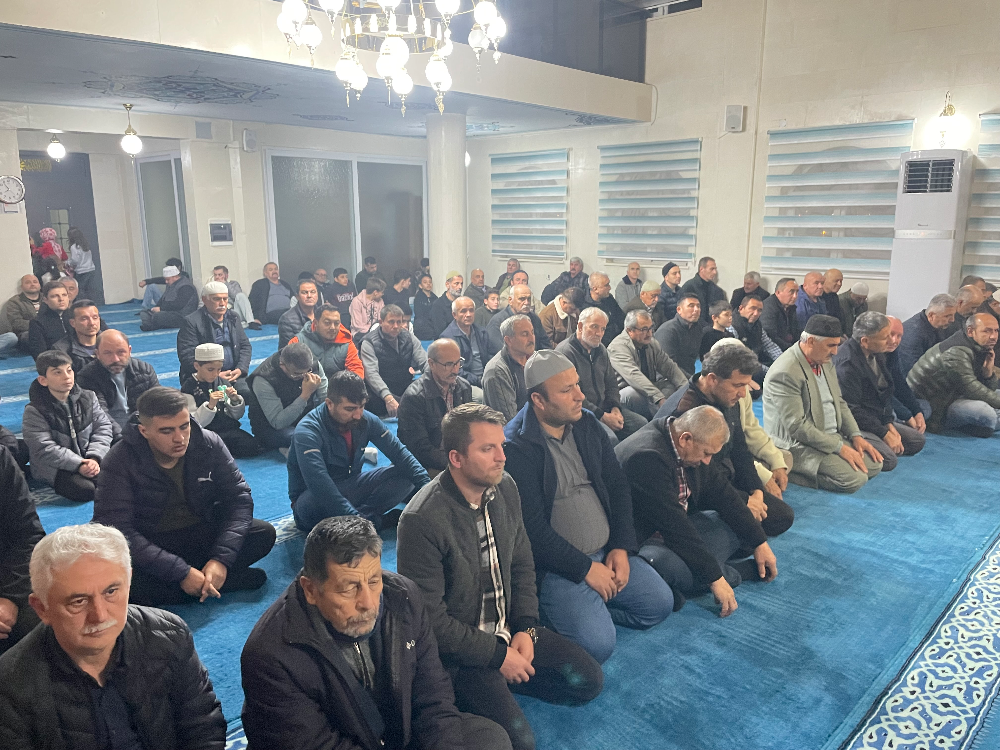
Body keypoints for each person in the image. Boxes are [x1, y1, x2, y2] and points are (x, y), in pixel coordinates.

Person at [397, 404, 603, 750]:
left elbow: (522, 562)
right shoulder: (421, 520)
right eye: (487, 448)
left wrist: (526, 627)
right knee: (520, 743)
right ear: (456, 458)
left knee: (588, 681)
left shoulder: (505, 486)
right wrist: (496, 657)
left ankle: (502, 683)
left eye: (501, 445)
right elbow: (430, 621)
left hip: (508, 630)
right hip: (463, 655)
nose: (502, 457)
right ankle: (470, 690)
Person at [241, 516, 511, 750]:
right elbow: (316, 744)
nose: (369, 603)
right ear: (311, 590)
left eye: (373, 581)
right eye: (349, 588)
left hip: (395, 734)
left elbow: (433, 696)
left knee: (489, 739)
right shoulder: (270, 655)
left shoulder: (403, 597)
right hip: (342, 741)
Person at [502, 350, 673, 663]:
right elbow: (531, 530)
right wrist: (585, 569)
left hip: (607, 552)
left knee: (660, 605)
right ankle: (569, 614)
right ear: (538, 400)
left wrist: (621, 546)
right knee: (598, 646)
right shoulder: (516, 447)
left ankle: (594, 608)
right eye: (567, 390)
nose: (580, 396)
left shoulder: (586, 424)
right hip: (559, 568)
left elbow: (618, 487)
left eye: (577, 385)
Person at [0, 524, 227, 748]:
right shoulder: (10, 688)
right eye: (78, 601)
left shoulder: (170, 636)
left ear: (129, 582)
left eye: (111, 592)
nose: (99, 616)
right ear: (41, 608)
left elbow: (204, 728)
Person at [93, 386, 275, 605]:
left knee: (263, 534)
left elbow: (239, 499)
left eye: (184, 426)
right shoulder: (119, 460)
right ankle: (213, 583)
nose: (179, 438)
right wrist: (180, 571)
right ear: (144, 431)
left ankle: (193, 584)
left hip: (200, 531)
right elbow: (116, 528)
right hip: (151, 541)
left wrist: (221, 560)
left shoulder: (208, 443)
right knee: (106, 570)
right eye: (166, 431)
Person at [616, 405, 778, 615]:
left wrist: (759, 542)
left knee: (738, 521)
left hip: (676, 530)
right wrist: (715, 578)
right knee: (663, 565)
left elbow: (724, 494)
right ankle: (731, 573)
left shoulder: (686, 443)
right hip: (644, 542)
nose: (707, 461)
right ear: (686, 439)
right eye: (706, 454)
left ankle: (690, 578)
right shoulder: (646, 458)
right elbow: (675, 527)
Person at [665, 342, 795, 537]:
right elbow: (700, 477)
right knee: (747, 528)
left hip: (723, 475)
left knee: (781, 517)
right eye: (738, 385)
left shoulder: (727, 398)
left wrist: (756, 490)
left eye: (745, 385)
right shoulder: (684, 413)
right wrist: (742, 501)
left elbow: (740, 449)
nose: (743, 393)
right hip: (698, 488)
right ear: (712, 379)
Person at [288, 371, 430, 533]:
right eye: (349, 409)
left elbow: (400, 454)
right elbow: (320, 485)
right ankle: (368, 523)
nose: (357, 415)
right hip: (313, 499)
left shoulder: (366, 419)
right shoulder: (307, 432)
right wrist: (356, 520)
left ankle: (359, 524)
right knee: (312, 504)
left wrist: (431, 491)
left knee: (406, 474)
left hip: (352, 486)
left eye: (361, 406)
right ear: (329, 403)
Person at [763, 315, 883, 493]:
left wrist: (856, 435)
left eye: (837, 345)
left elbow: (839, 402)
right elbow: (797, 427)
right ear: (811, 341)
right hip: (798, 443)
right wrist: (839, 448)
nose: (836, 352)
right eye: (831, 345)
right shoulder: (785, 372)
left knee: (875, 465)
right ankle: (790, 468)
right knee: (854, 480)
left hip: (828, 435)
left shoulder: (823, 359)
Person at [833, 312, 925, 471]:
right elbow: (851, 410)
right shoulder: (847, 364)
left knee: (917, 441)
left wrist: (888, 423)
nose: (891, 341)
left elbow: (887, 392)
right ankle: (852, 444)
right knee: (888, 460)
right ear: (865, 341)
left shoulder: (878, 353)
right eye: (885, 337)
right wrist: (883, 433)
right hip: (854, 423)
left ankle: (877, 443)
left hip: (875, 416)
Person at [23, 350, 114, 503]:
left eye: (69, 370)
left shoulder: (89, 397)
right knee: (85, 491)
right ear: (43, 380)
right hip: (55, 466)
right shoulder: (34, 410)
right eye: (57, 372)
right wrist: (78, 464)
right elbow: (44, 447)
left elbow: (103, 428)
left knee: (116, 482)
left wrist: (94, 457)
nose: (66, 376)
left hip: (89, 458)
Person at [558, 307, 646, 444]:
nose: (599, 333)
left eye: (603, 329)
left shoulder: (601, 349)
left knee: (642, 425)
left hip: (606, 408)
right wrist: (602, 416)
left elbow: (612, 383)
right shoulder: (565, 353)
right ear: (580, 326)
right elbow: (572, 396)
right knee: (610, 439)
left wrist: (615, 408)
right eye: (594, 327)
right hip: (582, 414)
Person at [907, 312, 1000, 436]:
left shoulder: (979, 347)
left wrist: (988, 373)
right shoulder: (956, 352)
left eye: (996, 330)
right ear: (970, 331)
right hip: (936, 406)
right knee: (986, 413)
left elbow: (985, 389)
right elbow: (972, 389)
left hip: (953, 395)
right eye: (987, 331)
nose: (993, 336)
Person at [397, 339, 475, 475]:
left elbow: (468, 429)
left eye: (458, 363)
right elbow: (420, 449)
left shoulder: (463, 387)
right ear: (431, 364)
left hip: (456, 457)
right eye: (448, 364)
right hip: (427, 465)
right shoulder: (414, 397)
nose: (455, 370)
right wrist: (457, 464)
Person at [0, 444, 44, 655]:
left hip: (7, 582)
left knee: (50, 622)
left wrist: (10, 598)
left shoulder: (1, 459)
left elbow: (29, 536)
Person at [181, 343, 261, 458]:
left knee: (251, 446)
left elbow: (235, 416)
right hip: (205, 433)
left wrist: (235, 401)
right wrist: (210, 406)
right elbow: (193, 424)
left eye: (219, 369)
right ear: (197, 366)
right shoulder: (189, 388)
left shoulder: (222, 382)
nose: (215, 374)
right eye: (210, 369)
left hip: (226, 429)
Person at [247, 342, 329, 451]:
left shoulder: (313, 364)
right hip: (271, 427)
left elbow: (325, 398)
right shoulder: (263, 379)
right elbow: (278, 422)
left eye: (307, 372)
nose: (303, 377)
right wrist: (305, 395)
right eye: (296, 374)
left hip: (304, 417)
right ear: (282, 365)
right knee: (302, 437)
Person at [77, 329, 160, 435]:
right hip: (108, 432)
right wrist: (124, 438)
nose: (115, 359)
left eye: (121, 352)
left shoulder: (144, 370)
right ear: (97, 354)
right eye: (108, 353)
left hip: (142, 426)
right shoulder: (87, 377)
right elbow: (100, 415)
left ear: (129, 351)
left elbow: (158, 403)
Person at [608, 310, 687, 420]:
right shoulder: (618, 347)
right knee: (634, 394)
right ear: (629, 330)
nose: (649, 333)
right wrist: (658, 398)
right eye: (644, 329)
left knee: (671, 385)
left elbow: (669, 367)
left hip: (647, 388)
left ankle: (672, 415)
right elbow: (634, 376)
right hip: (623, 393)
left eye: (651, 328)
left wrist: (686, 389)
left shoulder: (652, 343)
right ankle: (663, 420)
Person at [177, 281, 253, 386]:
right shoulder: (192, 322)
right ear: (205, 300)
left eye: (225, 299)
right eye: (217, 299)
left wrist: (240, 369)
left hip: (233, 375)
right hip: (205, 379)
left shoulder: (233, 317)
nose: (222, 303)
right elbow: (188, 355)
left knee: (251, 392)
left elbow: (245, 346)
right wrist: (215, 374)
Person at [360, 304, 427, 417]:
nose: (396, 326)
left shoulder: (409, 337)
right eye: (391, 322)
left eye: (399, 322)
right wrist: (388, 397)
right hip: (379, 395)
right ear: (381, 322)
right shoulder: (368, 342)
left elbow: (424, 361)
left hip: (405, 389)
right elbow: (371, 374)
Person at [287, 303, 365, 380]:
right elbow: (288, 369)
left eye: (336, 323)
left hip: (337, 386)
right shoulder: (298, 341)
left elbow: (357, 372)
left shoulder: (346, 343)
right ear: (316, 323)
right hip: (305, 385)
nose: (332, 327)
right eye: (327, 323)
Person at [483, 314, 534, 422]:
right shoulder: (497, 371)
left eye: (532, 332)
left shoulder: (534, 359)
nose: (531, 338)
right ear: (508, 340)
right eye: (525, 334)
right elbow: (510, 421)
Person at [441, 295, 492, 399]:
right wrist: (478, 380)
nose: (468, 314)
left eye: (471, 310)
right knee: (481, 397)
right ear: (454, 315)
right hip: (462, 382)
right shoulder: (448, 338)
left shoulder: (481, 332)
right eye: (463, 311)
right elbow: (454, 370)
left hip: (485, 377)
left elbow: (490, 356)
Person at [885, 315, 929, 434]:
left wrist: (917, 411)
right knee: (890, 413)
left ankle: (903, 426)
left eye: (899, 336)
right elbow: (880, 394)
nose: (894, 340)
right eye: (891, 334)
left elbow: (900, 385)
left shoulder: (892, 352)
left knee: (925, 407)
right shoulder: (873, 355)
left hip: (891, 400)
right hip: (877, 403)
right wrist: (907, 415)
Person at [898, 293, 958, 376]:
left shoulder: (938, 326)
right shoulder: (914, 334)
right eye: (947, 316)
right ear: (931, 315)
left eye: (953, 315)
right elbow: (913, 372)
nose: (952, 320)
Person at [486, 284, 552, 357]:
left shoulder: (534, 318)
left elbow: (546, 346)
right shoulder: (497, 322)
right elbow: (501, 353)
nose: (526, 302)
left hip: (535, 360)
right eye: (522, 299)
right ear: (510, 300)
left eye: (529, 299)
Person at [730, 295, 783, 375]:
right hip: (741, 368)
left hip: (756, 363)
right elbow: (739, 358)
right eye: (752, 308)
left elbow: (769, 346)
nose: (756, 313)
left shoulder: (757, 325)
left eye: (759, 310)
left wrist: (783, 362)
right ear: (741, 308)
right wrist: (770, 372)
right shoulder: (731, 327)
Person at [654, 292, 703, 377]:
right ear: (679, 310)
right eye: (691, 306)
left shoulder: (697, 328)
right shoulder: (667, 331)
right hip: (666, 378)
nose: (696, 309)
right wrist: (693, 380)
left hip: (688, 376)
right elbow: (668, 366)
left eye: (698, 306)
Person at [139, 265, 198, 331]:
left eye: (167, 279)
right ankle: (153, 323)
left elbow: (179, 305)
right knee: (144, 313)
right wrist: (156, 308)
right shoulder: (171, 283)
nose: (166, 282)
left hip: (183, 316)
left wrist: (161, 309)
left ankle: (151, 325)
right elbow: (163, 297)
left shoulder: (186, 287)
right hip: (170, 312)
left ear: (175, 277)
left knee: (158, 316)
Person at [52, 298, 102, 373]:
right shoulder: (62, 350)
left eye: (95, 318)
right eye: (84, 319)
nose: (92, 323)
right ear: (73, 323)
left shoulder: (111, 342)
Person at [27, 280, 71, 359]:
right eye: (55, 296)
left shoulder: (76, 316)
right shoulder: (37, 323)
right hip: (55, 361)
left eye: (64, 295)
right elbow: (40, 354)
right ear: (45, 300)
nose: (61, 299)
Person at [0, 274, 41, 357]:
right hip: (26, 332)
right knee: (23, 336)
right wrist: (38, 326)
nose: (32, 284)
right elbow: (16, 323)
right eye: (28, 282)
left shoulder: (47, 298)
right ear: (22, 287)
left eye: (35, 282)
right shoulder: (14, 302)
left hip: (47, 330)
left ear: (39, 285)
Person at [679, 256, 726, 326]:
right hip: (693, 326)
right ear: (701, 269)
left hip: (713, 327)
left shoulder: (717, 291)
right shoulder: (689, 287)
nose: (715, 272)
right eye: (712, 269)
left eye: (715, 269)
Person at [585, 272, 626, 346]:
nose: (609, 288)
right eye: (606, 285)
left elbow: (621, 318)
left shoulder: (609, 299)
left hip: (618, 341)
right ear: (595, 289)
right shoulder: (584, 306)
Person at [278, 277, 320, 348]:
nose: (309, 296)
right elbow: (290, 349)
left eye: (313, 292)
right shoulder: (287, 319)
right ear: (297, 296)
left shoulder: (323, 314)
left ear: (317, 295)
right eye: (304, 292)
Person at [761, 277, 800, 350]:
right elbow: (770, 336)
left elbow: (796, 332)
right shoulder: (768, 308)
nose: (795, 296)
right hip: (774, 349)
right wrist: (791, 349)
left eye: (797, 292)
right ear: (778, 292)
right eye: (791, 292)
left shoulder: (791, 307)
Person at [65, 227, 99, 302]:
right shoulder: (85, 245)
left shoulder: (74, 247)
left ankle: (82, 303)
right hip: (90, 269)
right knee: (90, 289)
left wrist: (68, 262)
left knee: (80, 289)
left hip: (81, 271)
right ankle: (92, 303)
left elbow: (75, 260)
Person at [429, 271, 466, 340]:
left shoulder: (463, 303)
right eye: (456, 283)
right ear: (447, 284)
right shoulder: (438, 305)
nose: (460, 287)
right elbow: (440, 332)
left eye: (461, 284)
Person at [349, 276, 387, 341]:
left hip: (376, 332)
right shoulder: (356, 301)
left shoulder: (380, 301)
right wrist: (371, 331)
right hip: (360, 334)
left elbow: (381, 319)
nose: (383, 294)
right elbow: (357, 325)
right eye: (382, 292)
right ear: (375, 292)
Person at [413, 273, 439, 340]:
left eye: (430, 282)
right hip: (422, 327)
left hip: (433, 326)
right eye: (425, 282)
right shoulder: (418, 298)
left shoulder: (435, 298)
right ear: (420, 285)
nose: (428, 284)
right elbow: (419, 315)